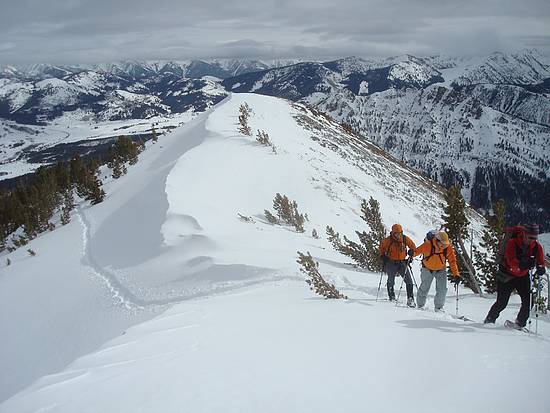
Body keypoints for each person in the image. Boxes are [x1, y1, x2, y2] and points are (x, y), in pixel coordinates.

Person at [484, 224, 546, 329]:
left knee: (528, 301)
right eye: (531, 237)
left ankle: (519, 324)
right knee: (502, 302)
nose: (533, 240)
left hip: (522, 276)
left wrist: (541, 268)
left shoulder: (536, 247)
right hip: (506, 275)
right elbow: (510, 260)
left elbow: (540, 261)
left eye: (535, 238)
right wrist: (523, 264)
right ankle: (489, 320)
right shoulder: (512, 243)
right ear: (524, 234)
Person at [412, 231, 460, 311]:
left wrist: (456, 274)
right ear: (437, 241)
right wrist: (412, 253)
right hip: (427, 269)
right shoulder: (428, 245)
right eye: (443, 243)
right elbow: (416, 251)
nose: (444, 245)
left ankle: (439, 307)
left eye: (446, 243)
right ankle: (420, 306)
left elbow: (452, 261)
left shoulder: (447, 248)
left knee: (442, 289)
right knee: (424, 287)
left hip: (441, 269)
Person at [379, 224, 417, 306]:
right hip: (391, 262)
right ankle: (391, 296)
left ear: (401, 232)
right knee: (391, 280)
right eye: (396, 233)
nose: (398, 235)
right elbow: (381, 247)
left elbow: (413, 247)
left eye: (399, 233)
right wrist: (382, 256)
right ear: (393, 233)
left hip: (403, 262)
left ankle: (410, 299)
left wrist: (412, 254)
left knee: (409, 281)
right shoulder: (388, 240)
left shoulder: (405, 239)